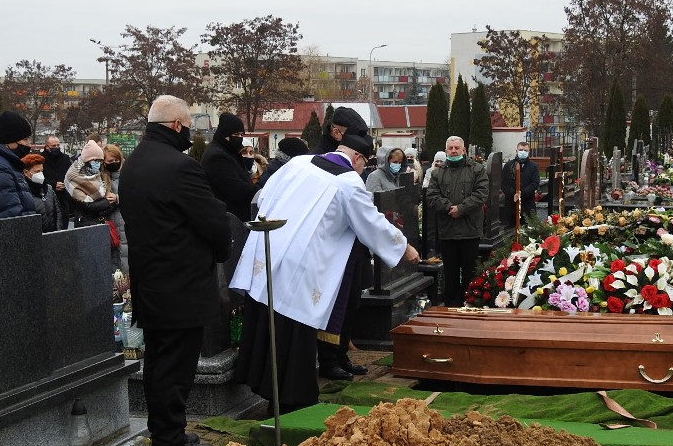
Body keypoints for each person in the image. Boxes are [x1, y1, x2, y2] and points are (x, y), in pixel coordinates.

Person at [231, 130, 420, 413]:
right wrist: (404, 247)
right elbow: (370, 223)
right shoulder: (347, 182)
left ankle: (268, 392)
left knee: (269, 327)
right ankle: (291, 402)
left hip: (271, 251)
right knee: (293, 334)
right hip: (302, 268)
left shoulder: (299, 162)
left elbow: (267, 194)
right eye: (363, 163)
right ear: (356, 157)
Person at [119, 95, 232, 446]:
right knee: (176, 365)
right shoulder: (178, 166)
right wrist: (221, 249)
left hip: (151, 279)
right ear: (178, 125)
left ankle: (168, 431)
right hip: (180, 281)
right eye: (190, 125)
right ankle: (169, 442)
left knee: (159, 361)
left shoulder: (136, 162)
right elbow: (212, 220)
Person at [426, 136, 489, 307]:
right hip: (448, 231)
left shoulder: (476, 169)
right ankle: (451, 306)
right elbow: (431, 195)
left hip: (470, 230)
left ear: (464, 150)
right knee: (450, 273)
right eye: (450, 148)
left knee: (470, 271)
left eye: (457, 148)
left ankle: (470, 304)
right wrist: (448, 208)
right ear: (446, 150)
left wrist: (461, 209)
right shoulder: (438, 172)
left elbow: (481, 194)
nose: (453, 151)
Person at [201, 113, 259, 222]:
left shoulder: (229, 151)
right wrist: (259, 189)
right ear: (225, 134)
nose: (240, 138)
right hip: (230, 218)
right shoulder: (217, 156)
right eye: (236, 134)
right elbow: (236, 189)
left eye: (242, 135)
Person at [65, 140, 117, 227]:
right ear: (87, 160)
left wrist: (112, 202)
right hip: (84, 224)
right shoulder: (74, 176)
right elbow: (86, 207)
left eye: (99, 161)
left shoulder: (97, 175)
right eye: (95, 160)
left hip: (98, 222)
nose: (98, 164)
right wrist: (108, 201)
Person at [21, 154, 65, 232]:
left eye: (41, 171)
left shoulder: (49, 189)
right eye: (37, 171)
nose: (40, 174)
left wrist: (58, 232)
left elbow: (58, 212)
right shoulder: (22, 192)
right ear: (26, 172)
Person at [501, 141, 541, 226]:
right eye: (521, 150)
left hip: (528, 205)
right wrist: (513, 193)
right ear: (516, 151)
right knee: (511, 232)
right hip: (511, 204)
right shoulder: (508, 165)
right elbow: (504, 183)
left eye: (525, 150)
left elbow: (535, 183)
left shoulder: (534, 166)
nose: (523, 152)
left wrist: (521, 193)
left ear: (529, 151)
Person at [104, 144, 129, 273]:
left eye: (116, 160)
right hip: (109, 222)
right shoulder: (101, 177)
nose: (114, 163)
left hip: (124, 221)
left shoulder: (127, 174)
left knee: (125, 253)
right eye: (110, 161)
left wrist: (118, 199)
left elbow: (135, 194)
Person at [41, 135, 73, 228]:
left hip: (63, 197)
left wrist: (65, 185)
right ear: (47, 146)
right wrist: (53, 184)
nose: (57, 148)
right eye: (53, 146)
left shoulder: (65, 158)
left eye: (58, 145)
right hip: (47, 197)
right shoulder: (40, 159)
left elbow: (71, 176)